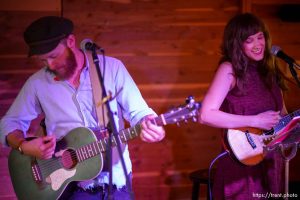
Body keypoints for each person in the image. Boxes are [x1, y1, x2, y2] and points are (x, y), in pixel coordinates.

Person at [0, 16, 165, 200]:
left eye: (54, 56)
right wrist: (24, 146)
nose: (50, 65)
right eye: (43, 60)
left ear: (71, 41)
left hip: (117, 182)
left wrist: (150, 124)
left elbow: (139, 112)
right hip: (71, 189)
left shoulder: (111, 69)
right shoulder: (37, 83)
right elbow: (9, 122)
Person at [198, 13, 288, 199]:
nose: (258, 45)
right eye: (249, 40)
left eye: (260, 37)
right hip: (242, 162)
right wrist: (255, 120)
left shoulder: (270, 71)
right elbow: (206, 115)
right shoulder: (229, 69)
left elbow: (283, 115)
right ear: (237, 44)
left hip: (271, 160)